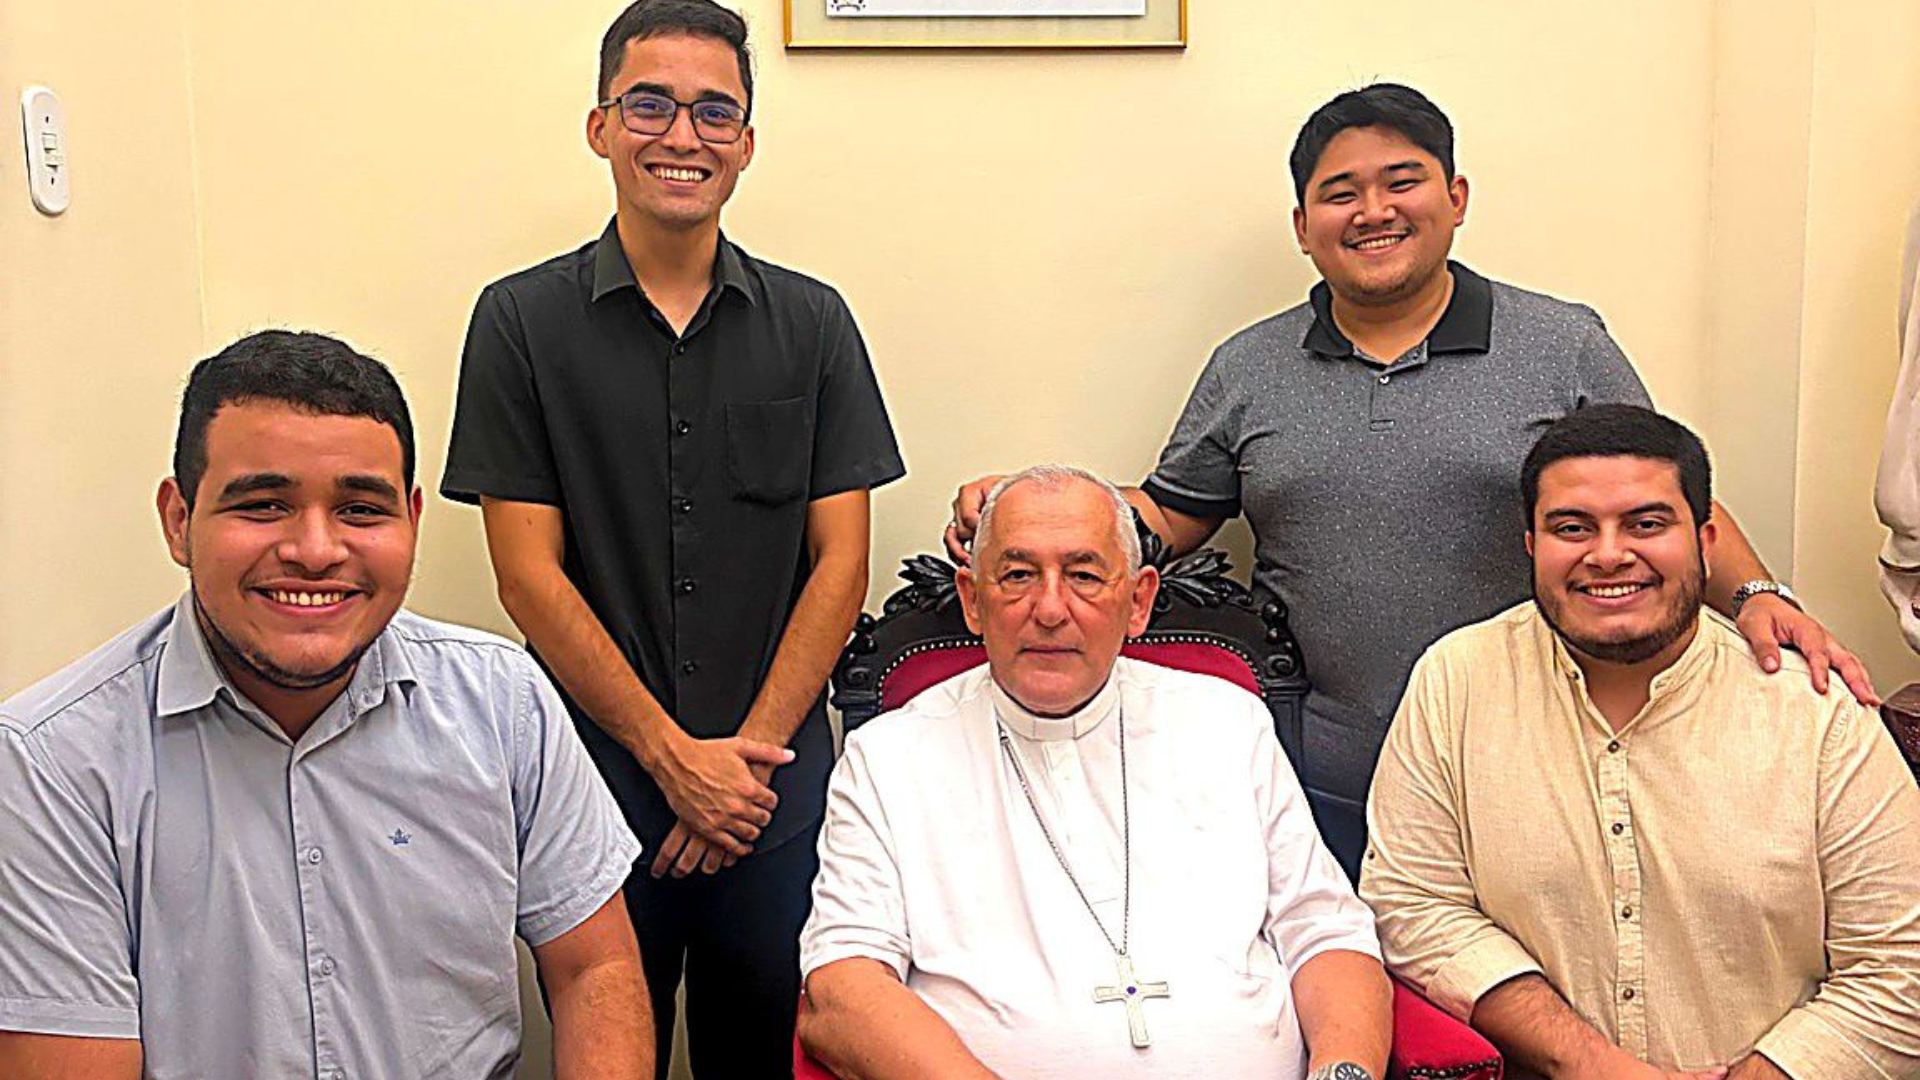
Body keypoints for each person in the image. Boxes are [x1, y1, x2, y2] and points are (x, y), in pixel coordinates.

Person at [948, 83, 1872, 877]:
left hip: (1536, 774)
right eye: (1340, 194)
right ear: (1304, 226)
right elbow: (1168, 517)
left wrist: (1755, 592)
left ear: (1456, 196)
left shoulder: (1561, 343)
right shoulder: (1249, 367)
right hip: (1325, 781)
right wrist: (1025, 504)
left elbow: (1657, 500)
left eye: (1402, 182)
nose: (1374, 211)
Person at [441, 1, 905, 1074]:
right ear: (601, 126)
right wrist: (670, 758)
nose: (681, 135)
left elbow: (841, 564)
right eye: (649, 104)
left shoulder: (815, 323)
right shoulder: (517, 323)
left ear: (746, 143)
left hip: (774, 804)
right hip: (590, 797)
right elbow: (526, 576)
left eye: (714, 111)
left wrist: (736, 774)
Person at [0, 331, 649, 1080]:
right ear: (178, 520)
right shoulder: (50, 764)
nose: (315, 549)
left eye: (360, 510)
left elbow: (592, 970)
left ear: (411, 518)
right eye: (265, 504)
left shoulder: (504, 704)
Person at [1364, 405, 1920, 1080]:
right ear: (1531, 544)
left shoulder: (1817, 710)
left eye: (1646, 523)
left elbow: (1901, 965)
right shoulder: (1457, 680)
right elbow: (1411, 903)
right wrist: (1594, 1066)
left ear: (1707, 540)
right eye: (1572, 528)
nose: (1607, 554)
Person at [801, 465, 1390, 1080]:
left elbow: (1324, 932)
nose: (1050, 608)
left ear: (1138, 601)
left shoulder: (1227, 721)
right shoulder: (890, 756)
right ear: (973, 599)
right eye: (1018, 575)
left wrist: (1342, 1071)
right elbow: (843, 985)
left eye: (1083, 576)